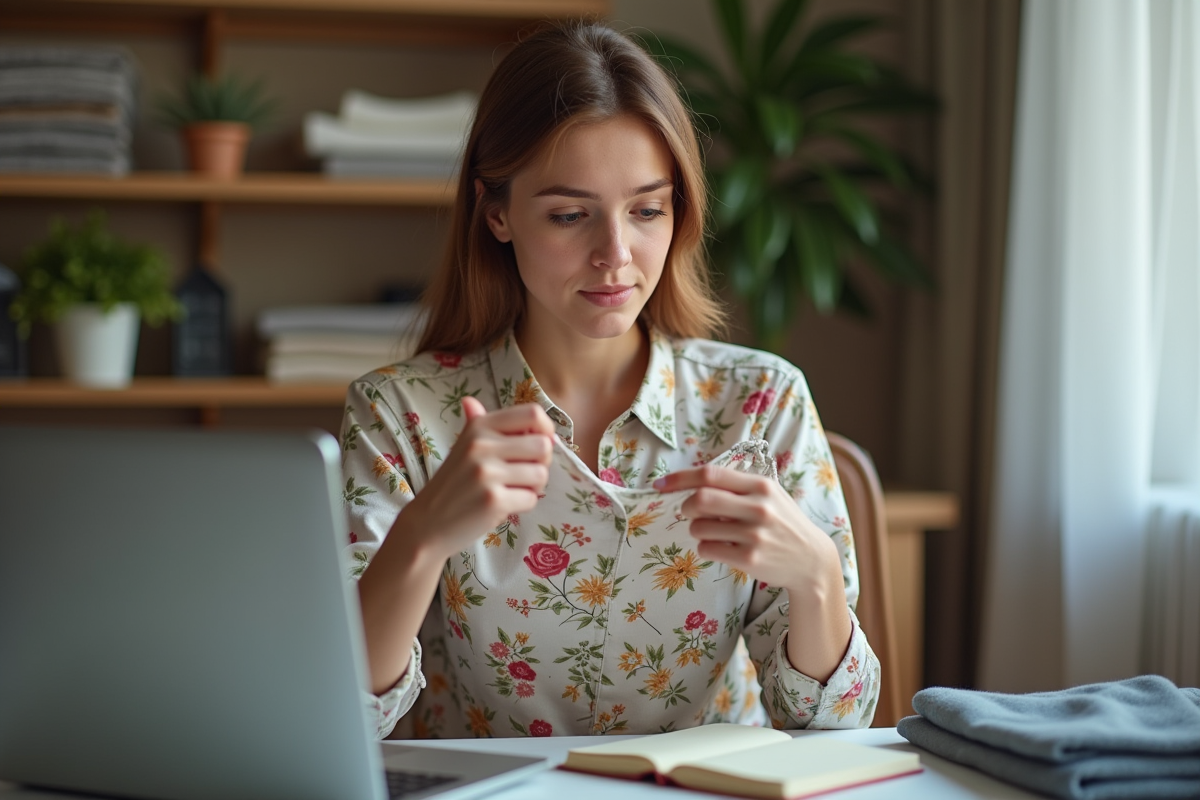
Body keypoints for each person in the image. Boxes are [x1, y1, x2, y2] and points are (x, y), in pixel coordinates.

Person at [340, 20, 880, 740]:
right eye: (570, 215)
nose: (615, 255)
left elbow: (835, 723)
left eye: (648, 210)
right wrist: (422, 536)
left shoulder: (763, 402)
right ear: (496, 212)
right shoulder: (401, 412)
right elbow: (341, 715)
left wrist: (814, 575)